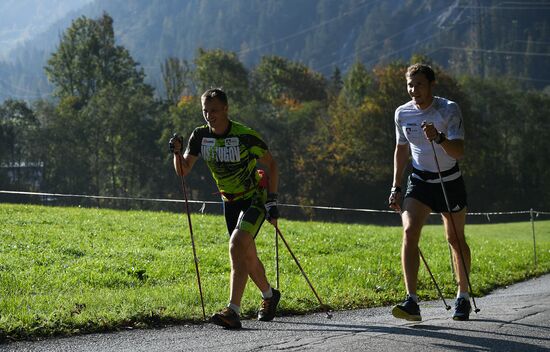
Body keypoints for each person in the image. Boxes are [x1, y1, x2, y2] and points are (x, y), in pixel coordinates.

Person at [169, 88, 281, 329]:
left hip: (254, 198)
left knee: (236, 246)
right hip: (228, 201)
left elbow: (271, 165)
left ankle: (233, 310)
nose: (209, 115)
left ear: (226, 109)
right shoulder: (199, 136)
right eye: (205, 111)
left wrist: (272, 201)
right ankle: (270, 296)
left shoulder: (244, 136)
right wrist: (177, 152)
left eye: (215, 110)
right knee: (247, 256)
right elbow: (183, 170)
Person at [389, 63, 472, 321]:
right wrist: (396, 185)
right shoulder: (402, 113)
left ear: (431, 85)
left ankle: (463, 297)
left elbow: (458, 151)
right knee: (409, 231)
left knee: (455, 239)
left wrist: (438, 138)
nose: (414, 90)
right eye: (410, 85)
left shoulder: (448, 110)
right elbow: (401, 149)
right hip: (420, 181)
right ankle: (411, 301)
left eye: (419, 85)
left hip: (449, 180)